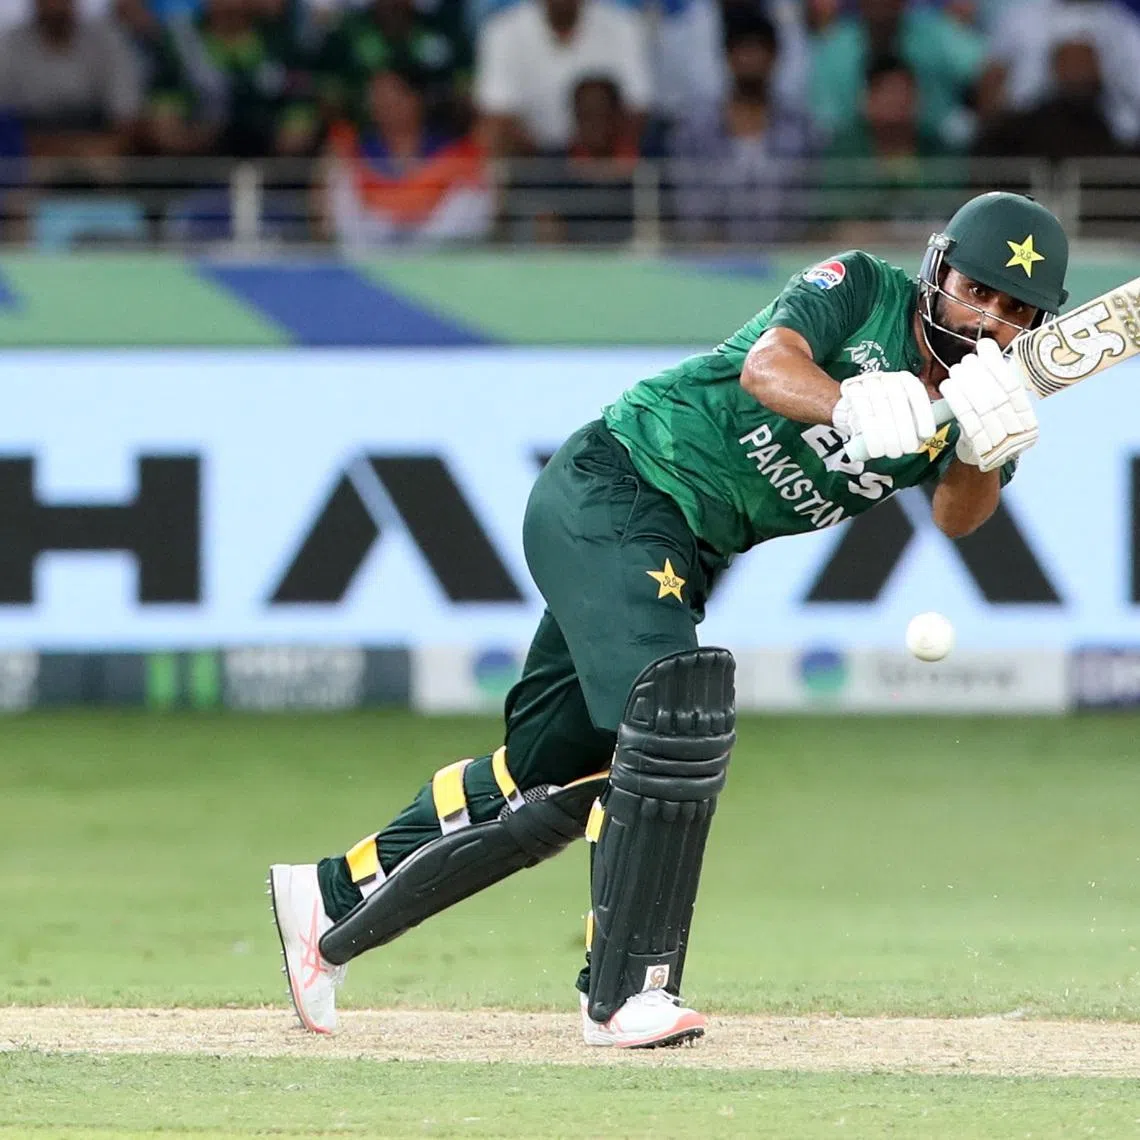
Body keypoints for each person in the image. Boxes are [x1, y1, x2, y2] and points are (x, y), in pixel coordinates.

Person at [269, 190, 1069, 1048]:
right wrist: (847, 402)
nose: (987, 320)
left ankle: (327, 900)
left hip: (685, 555)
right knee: (670, 720)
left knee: (548, 772)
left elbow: (957, 517)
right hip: (619, 485)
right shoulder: (864, 287)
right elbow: (767, 365)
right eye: (975, 292)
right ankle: (624, 993)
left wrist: (980, 448)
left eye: (1014, 310)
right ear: (938, 271)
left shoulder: (988, 393)